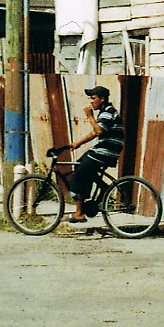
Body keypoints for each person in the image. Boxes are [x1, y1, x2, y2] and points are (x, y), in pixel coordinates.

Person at [66, 85, 125, 223]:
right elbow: (95, 132)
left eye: (93, 98)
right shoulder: (106, 112)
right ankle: (103, 187)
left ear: (102, 99)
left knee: (79, 173)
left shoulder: (108, 112)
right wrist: (78, 143)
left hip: (106, 151)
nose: (91, 102)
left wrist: (90, 116)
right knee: (81, 166)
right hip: (105, 150)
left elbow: (98, 131)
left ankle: (79, 213)